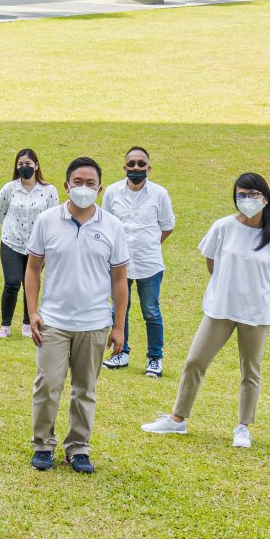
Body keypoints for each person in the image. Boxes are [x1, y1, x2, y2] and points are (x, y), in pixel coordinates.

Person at [144, 173, 270, 449]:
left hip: (256, 313)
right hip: (221, 308)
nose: (247, 200)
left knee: (250, 370)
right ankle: (177, 419)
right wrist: (228, 287)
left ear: (265, 198)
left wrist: (258, 293)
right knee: (194, 361)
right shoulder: (224, 226)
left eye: (253, 195)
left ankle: (243, 427)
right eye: (241, 194)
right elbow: (211, 262)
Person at [24, 158, 130, 473]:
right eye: (78, 182)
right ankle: (43, 444)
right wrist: (32, 312)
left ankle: (78, 448)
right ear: (67, 185)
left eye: (90, 183)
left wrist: (119, 327)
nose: (83, 189)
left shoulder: (113, 226)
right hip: (54, 321)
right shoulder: (46, 221)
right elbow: (33, 269)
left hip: (95, 324)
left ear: (99, 188)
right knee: (48, 386)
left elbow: (120, 280)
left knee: (85, 389)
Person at [100, 146, 174, 373]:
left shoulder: (159, 194)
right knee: (119, 309)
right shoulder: (112, 192)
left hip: (148, 262)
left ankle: (155, 358)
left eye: (141, 164)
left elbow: (167, 227)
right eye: (131, 164)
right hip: (118, 263)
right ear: (124, 167)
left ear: (149, 168)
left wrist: (149, 244)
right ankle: (120, 353)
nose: (136, 168)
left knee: (151, 311)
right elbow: (105, 224)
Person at [0, 149, 56, 340]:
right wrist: (12, 229)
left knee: (31, 283)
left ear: (36, 165)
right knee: (11, 283)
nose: (24, 167)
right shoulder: (9, 189)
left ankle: (28, 323)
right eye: (20, 164)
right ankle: (5, 325)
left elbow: (52, 217)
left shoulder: (48, 190)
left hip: (37, 245)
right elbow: (0, 213)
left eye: (28, 163)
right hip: (11, 242)